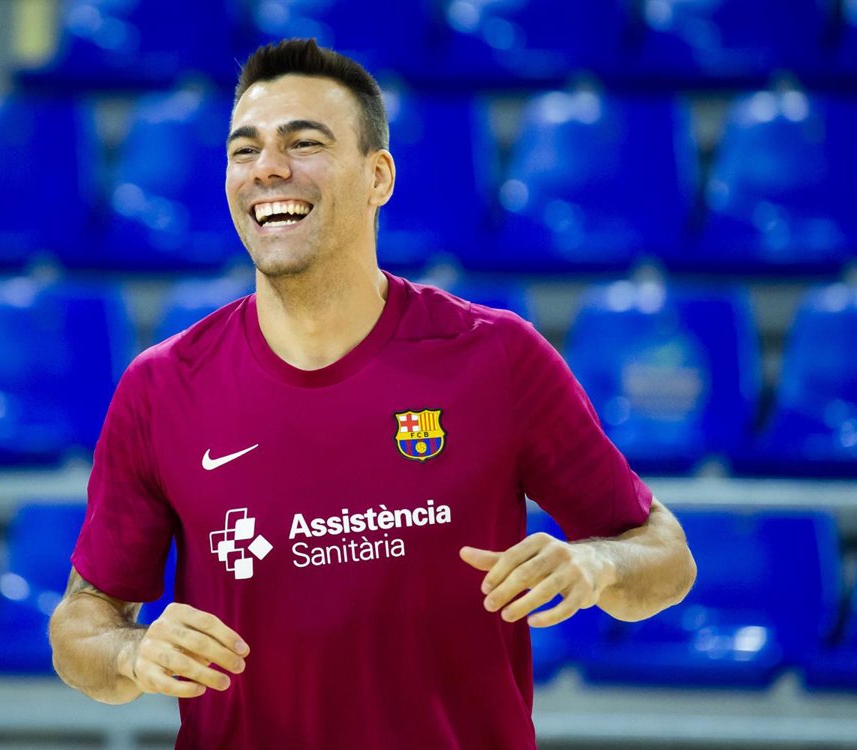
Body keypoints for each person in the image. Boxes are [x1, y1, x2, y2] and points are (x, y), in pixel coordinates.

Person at [50, 38, 697, 749]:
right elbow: (82, 622)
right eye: (245, 150)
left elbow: (664, 554)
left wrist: (596, 565)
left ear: (378, 175)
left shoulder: (496, 357)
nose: (268, 168)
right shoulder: (161, 387)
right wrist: (130, 652)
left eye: (304, 143)